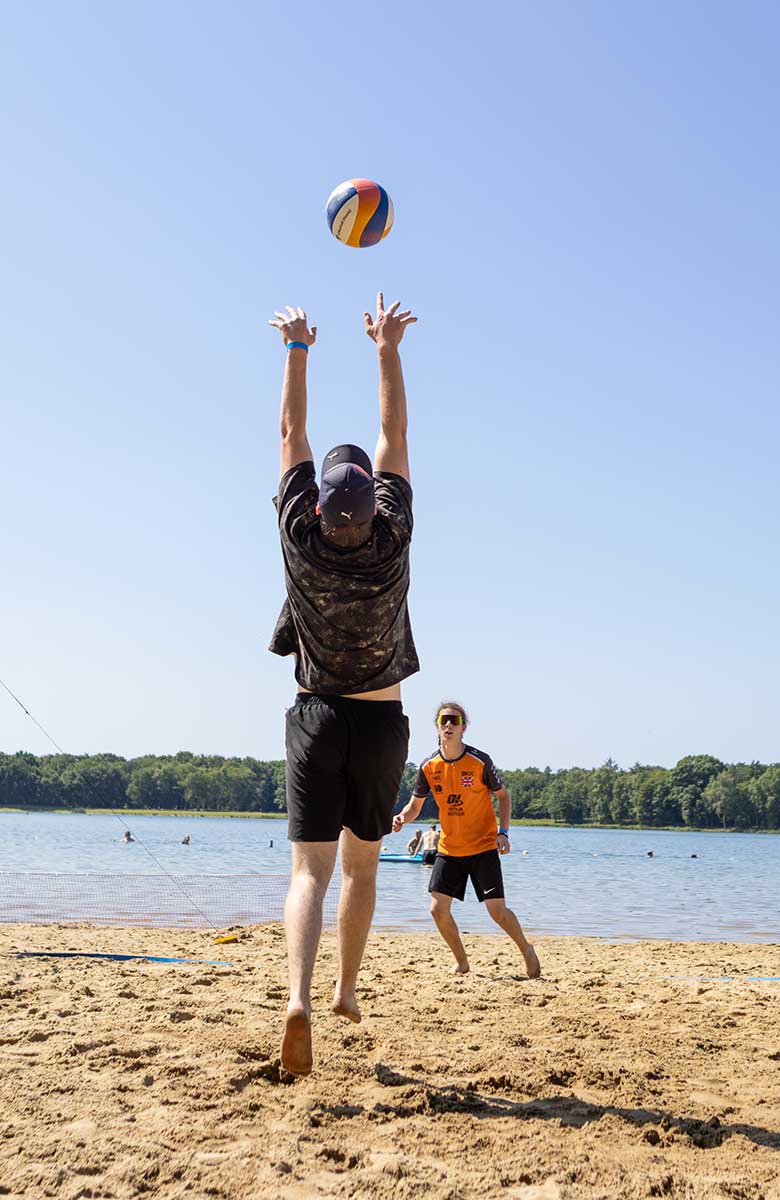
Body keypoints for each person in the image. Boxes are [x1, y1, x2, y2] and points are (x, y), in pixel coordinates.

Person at [268, 294, 419, 1076]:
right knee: (362, 866)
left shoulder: (299, 535)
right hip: (382, 723)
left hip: (316, 715)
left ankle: (296, 994)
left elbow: (292, 432)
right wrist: (386, 347)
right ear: (369, 501)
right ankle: (345, 991)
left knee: (308, 871)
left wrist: (298, 347)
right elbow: (394, 435)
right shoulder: (391, 538)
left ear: (322, 503)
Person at [393, 702, 540, 979]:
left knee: (497, 912)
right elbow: (414, 806)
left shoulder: (479, 761)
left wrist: (503, 832)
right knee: (438, 910)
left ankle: (526, 949)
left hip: (483, 846)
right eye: (443, 720)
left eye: (454, 720)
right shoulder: (428, 766)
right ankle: (462, 961)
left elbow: (503, 796)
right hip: (449, 848)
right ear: (437, 725)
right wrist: (401, 817)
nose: (448, 725)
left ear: (463, 727)